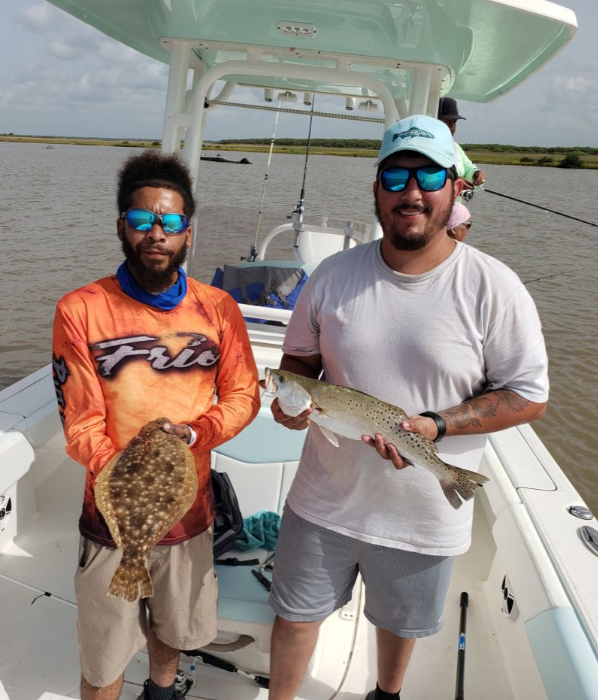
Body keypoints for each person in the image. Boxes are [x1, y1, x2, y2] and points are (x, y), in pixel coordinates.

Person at [266, 114, 548, 700]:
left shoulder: (495, 288)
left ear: (455, 188)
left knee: (399, 625)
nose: (411, 192)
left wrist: (437, 427)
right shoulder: (331, 276)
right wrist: (290, 405)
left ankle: (386, 696)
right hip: (323, 501)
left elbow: (529, 395)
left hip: (424, 516)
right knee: (294, 615)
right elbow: (298, 367)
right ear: (375, 188)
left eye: (429, 176)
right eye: (395, 176)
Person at [52, 150, 260, 700]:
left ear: (188, 232)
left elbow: (243, 395)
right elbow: (80, 421)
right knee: (104, 655)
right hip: (111, 519)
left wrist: (197, 433)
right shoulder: (82, 309)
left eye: (169, 221)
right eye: (143, 219)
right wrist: (122, 470)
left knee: (174, 629)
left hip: (188, 513)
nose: (156, 232)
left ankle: (162, 691)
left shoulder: (219, 309)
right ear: (123, 225)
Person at [437, 96, 486, 197]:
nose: (452, 127)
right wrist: (453, 182)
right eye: (447, 122)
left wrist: (475, 174)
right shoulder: (423, 146)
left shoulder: (456, 147)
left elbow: (468, 168)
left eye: (454, 122)